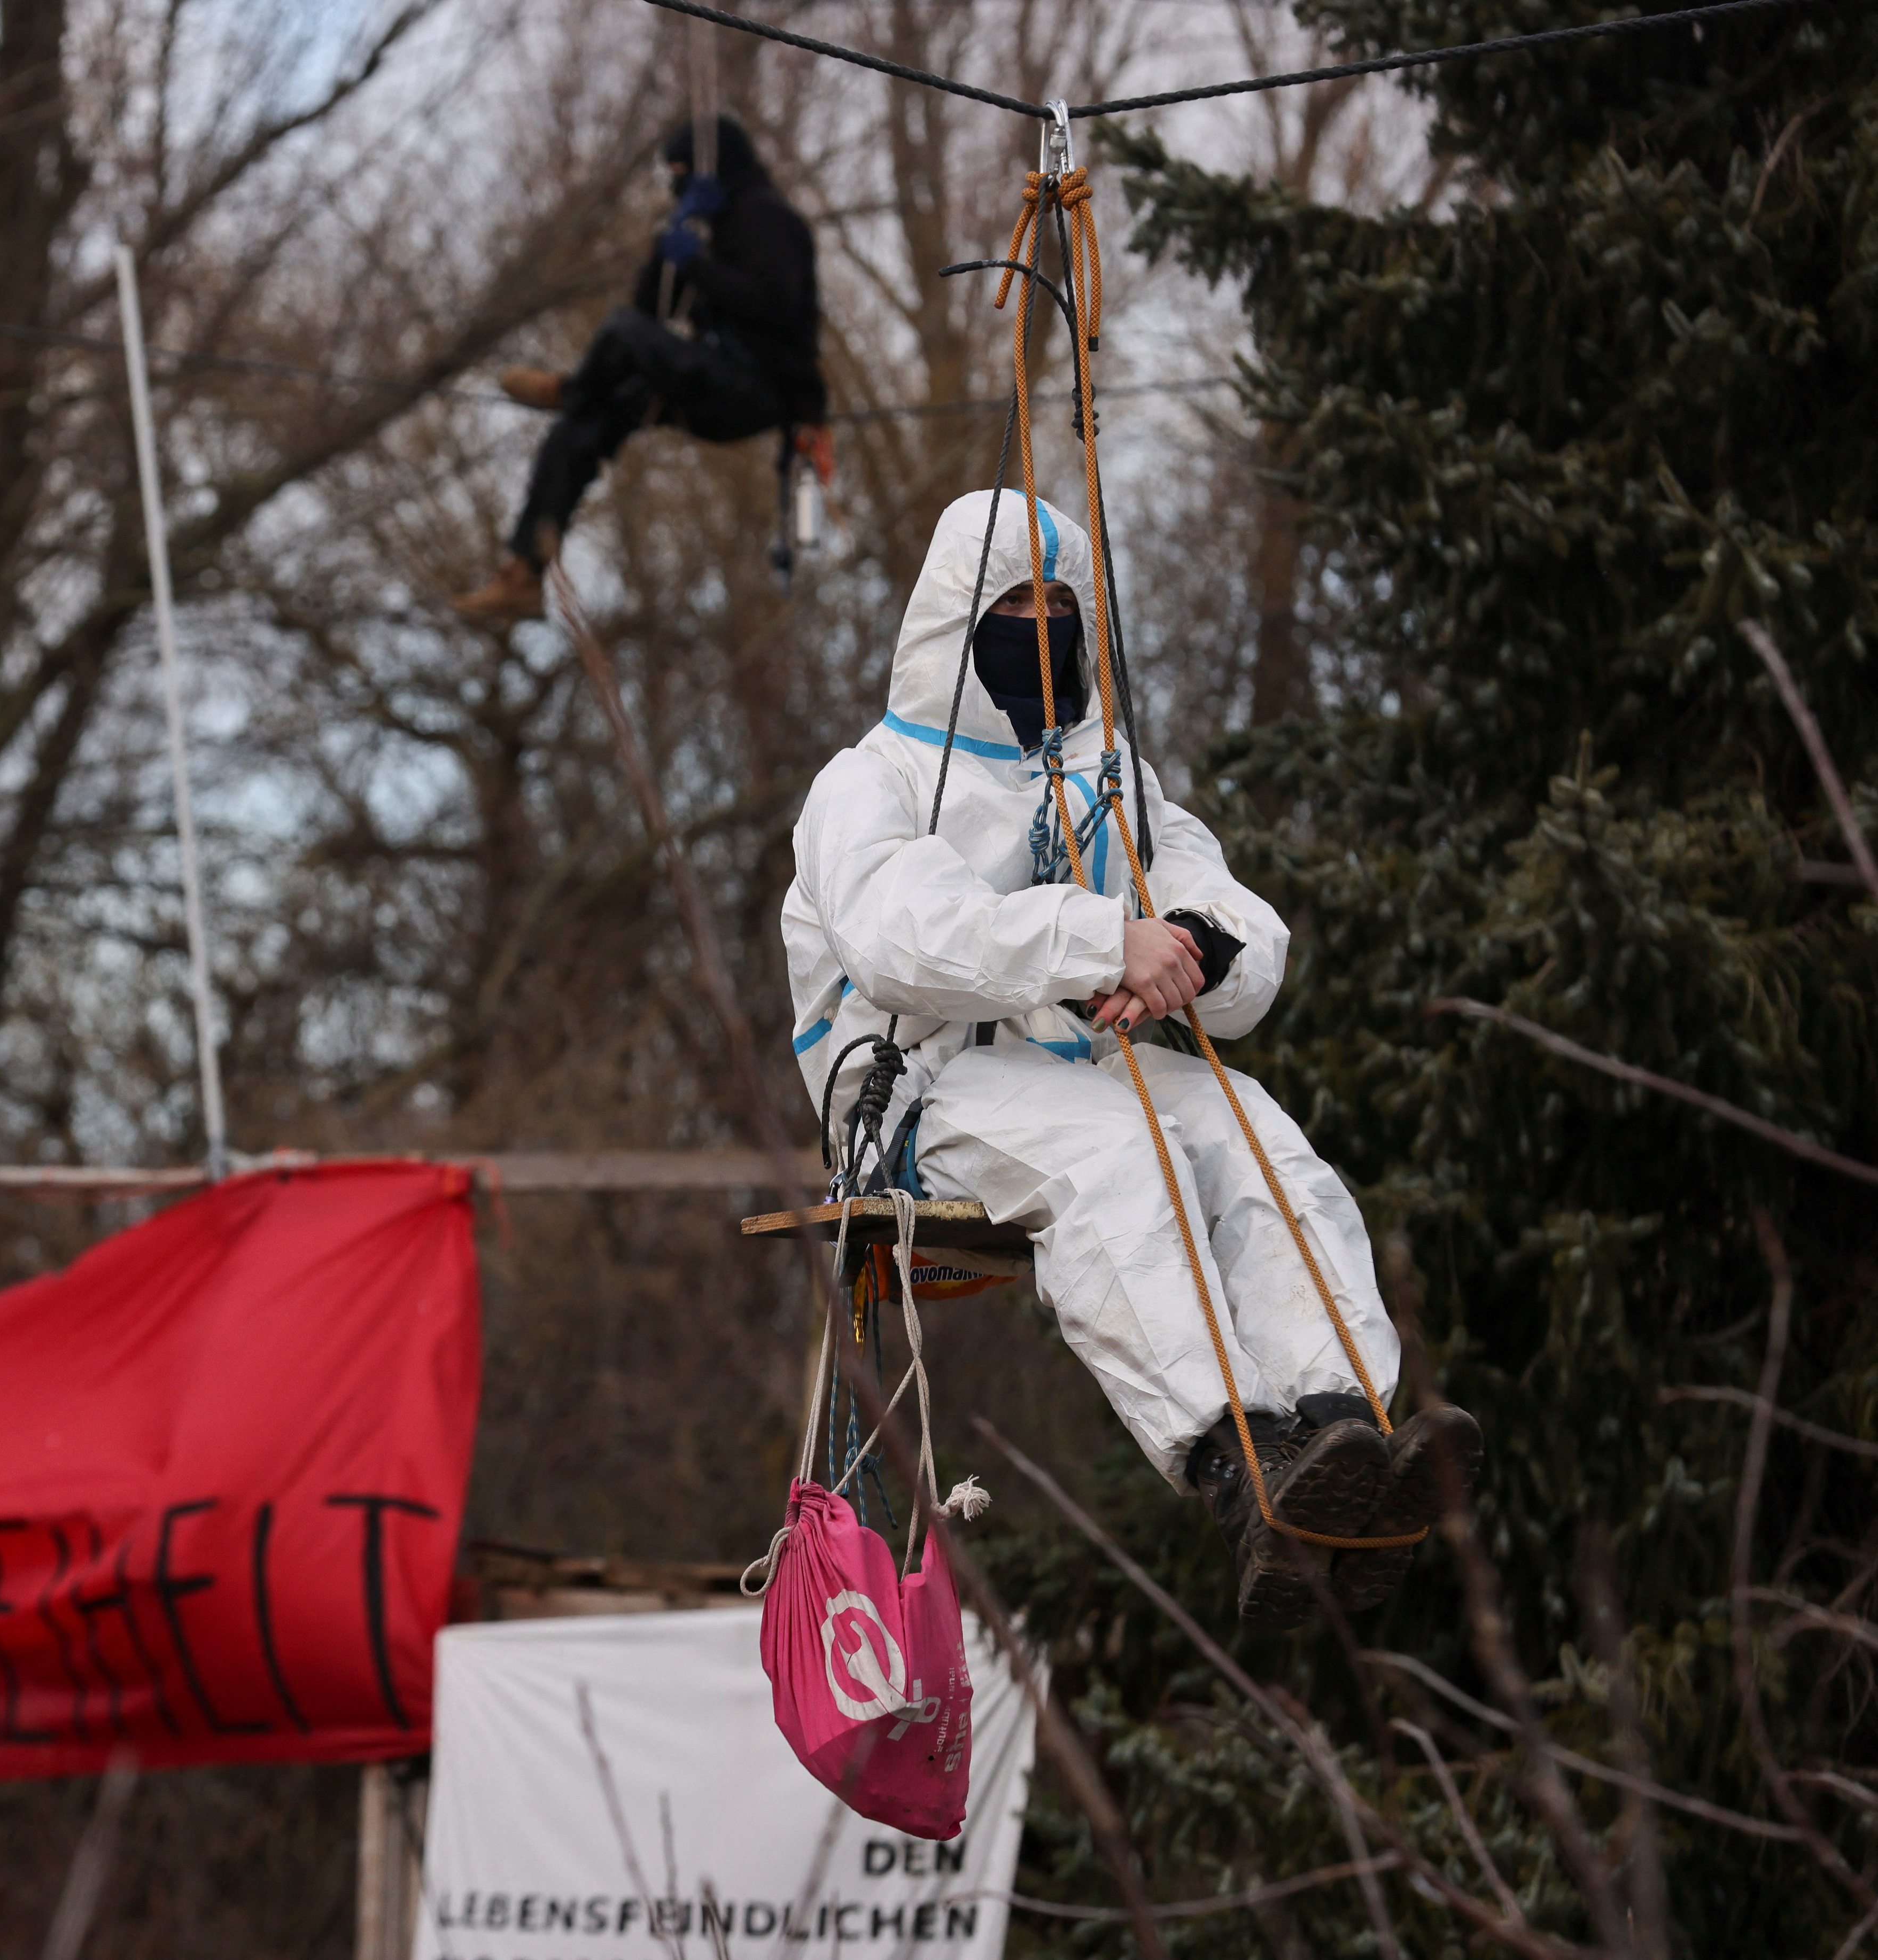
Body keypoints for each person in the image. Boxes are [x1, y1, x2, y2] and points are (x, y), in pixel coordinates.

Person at [785, 491, 1482, 1627]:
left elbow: (1227, 911)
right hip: (921, 1092)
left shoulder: (1109, 778)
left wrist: (1198, 948)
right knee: (1114, 1151)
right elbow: (903, 937)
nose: (1043, 626)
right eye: (1015, 604)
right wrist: (1099, 939)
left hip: (1074, 1069)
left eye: (1063, 607)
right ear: (951, 624)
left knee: (1240, 1122)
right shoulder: (869, 784)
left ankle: (1337, 1427)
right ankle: (1232, 1460)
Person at [451, 115, 825, 626]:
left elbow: (774, 306)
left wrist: (698, 265)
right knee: (580, 430)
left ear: (709, 168)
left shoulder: (768, 218)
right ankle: (523, 572)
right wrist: (669, 245)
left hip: (758, 388)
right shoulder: (703, 224)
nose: (673, 182)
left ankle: (572, 388)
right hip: (708, 377)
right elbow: (653, 308)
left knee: (620, 333)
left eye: (679, 170)